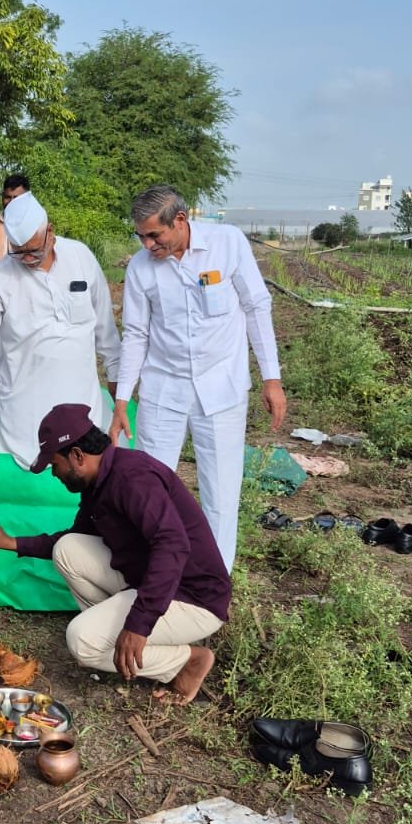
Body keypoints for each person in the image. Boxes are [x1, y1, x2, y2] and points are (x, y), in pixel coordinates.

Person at [0, 403, 231, 702]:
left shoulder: (133, 478)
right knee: (68, 549)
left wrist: (138, 623)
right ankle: (112, 639)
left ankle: (186, 662)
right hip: (150, 581)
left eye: (55, 464)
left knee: (81, 642)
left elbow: (172, 545)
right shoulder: (99, 482)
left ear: (77, 456)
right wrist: (10, 541)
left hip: (193, 598)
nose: (54, 474)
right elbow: (73, 538)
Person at [109, 185, 286, 571]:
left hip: (221, 387)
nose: (148, 244)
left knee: (220, 493)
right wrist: (122, 400)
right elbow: (136, 333)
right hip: (163, 390)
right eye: (141, 235)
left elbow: (257, 307)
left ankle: (215, 582)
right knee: (150, 488)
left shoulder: (227, 243)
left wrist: (271, 378)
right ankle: (151, 574)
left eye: (155, 234)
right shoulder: (141, 267)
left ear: (181, 220)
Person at [0, 190, 120, 468]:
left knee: (85, 483)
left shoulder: (81, 258)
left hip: (83, 410)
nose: (27, 259)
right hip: (25, 418)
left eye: (33, 250)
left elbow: (106, 331)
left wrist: (119, 389)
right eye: (18, 252)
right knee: (29, 488)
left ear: (50, 233)